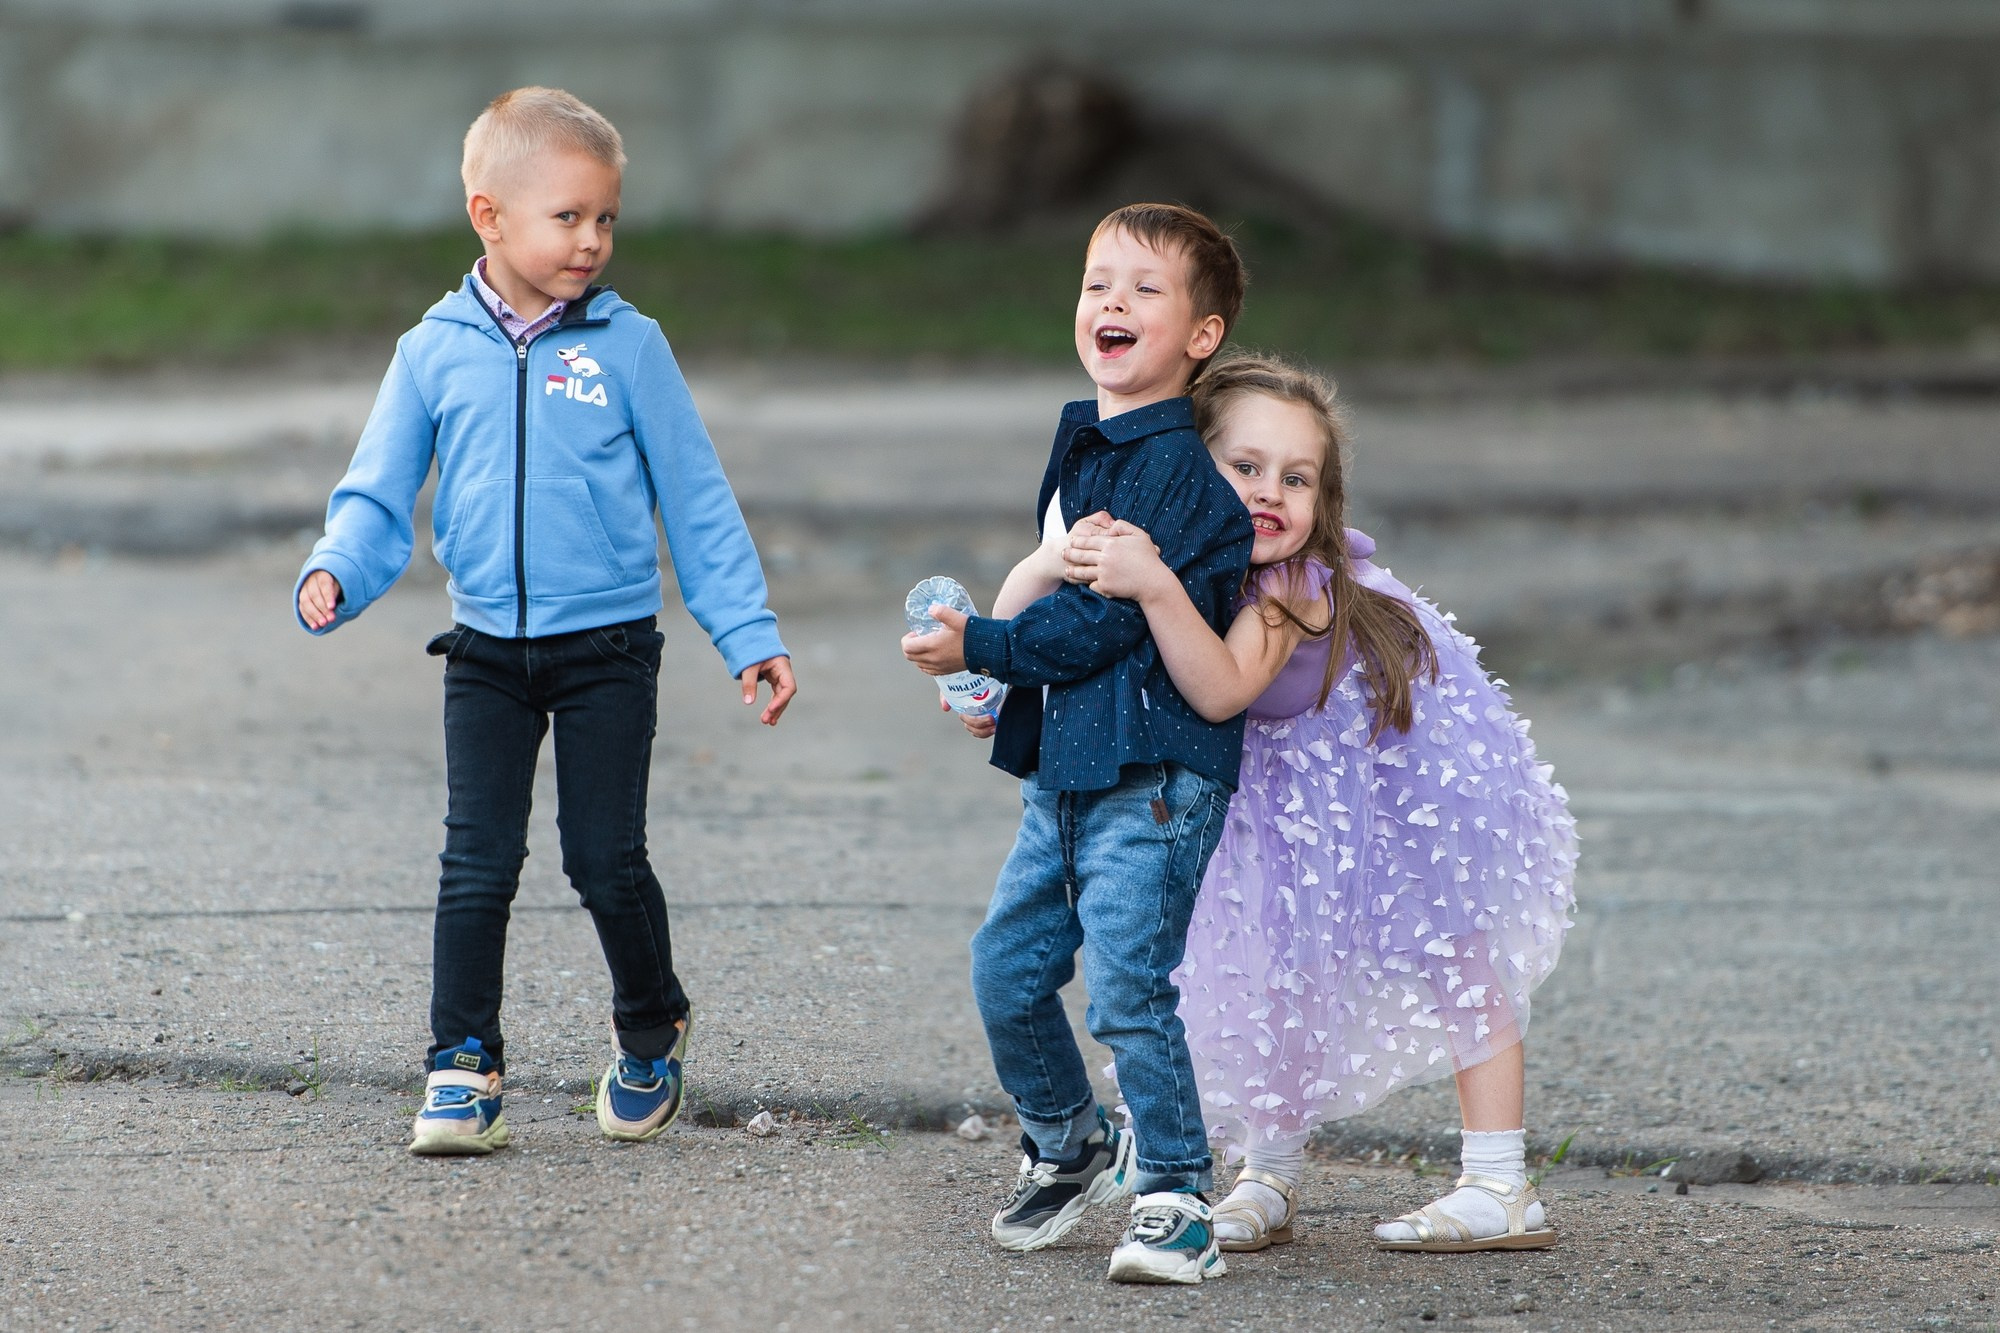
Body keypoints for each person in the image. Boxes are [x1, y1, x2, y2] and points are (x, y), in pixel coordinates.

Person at [294, 87, 796, 1156]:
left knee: (602, 858)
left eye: (605, 218)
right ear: (489, 216)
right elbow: (379, 486)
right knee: (475, 863)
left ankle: (649, 1025)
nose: (591, 241)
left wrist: (745, 630)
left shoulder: (629, 347)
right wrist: (340, 565)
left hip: (608, 648)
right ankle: (461, 1065)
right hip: (482, 651)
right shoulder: (431, 350)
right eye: (567, 217)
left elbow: (696, 498)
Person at [1059, 352, 1577, 1253]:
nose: (1271, 493)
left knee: (1449, 945)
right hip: (1290, 791)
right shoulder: (1190, 560)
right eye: (1245, 466)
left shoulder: (1290, 586)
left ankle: (1500, 1181)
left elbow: (1218, 688)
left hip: (1397, 778)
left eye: (1296, 478)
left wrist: (1146, 585)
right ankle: (1271, 1171)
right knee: (1277, 958)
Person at [902, 203, 1254, 1285]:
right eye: (1098, 282)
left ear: (1200, 336)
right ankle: (1067, 1140)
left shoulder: (1170, 473)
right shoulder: (1090, 447)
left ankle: (1176, 1194)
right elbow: (1056, 579)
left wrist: (989, 643)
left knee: (1126, 990)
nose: (1112, 302)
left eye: (1145, 290)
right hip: (1070, 771)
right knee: (1004, 969)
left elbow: (1098, 622)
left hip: (1152, 780)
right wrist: (990, 684)